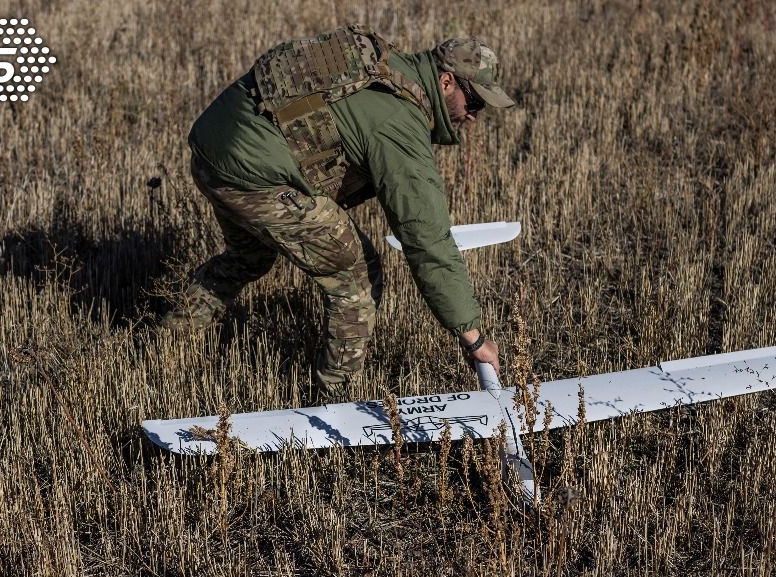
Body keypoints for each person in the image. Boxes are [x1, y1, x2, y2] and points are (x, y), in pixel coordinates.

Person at [162, 26, 515, 399]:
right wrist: (472, 337)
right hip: (250, 175)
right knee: (357, 273)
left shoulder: (387, 64)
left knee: (249, 256)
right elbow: (427, 240)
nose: (473, 116)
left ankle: (170, 336)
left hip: (211, 152)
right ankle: (330, 400)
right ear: (446, 82)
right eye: (473, 103)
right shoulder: (399, 123)